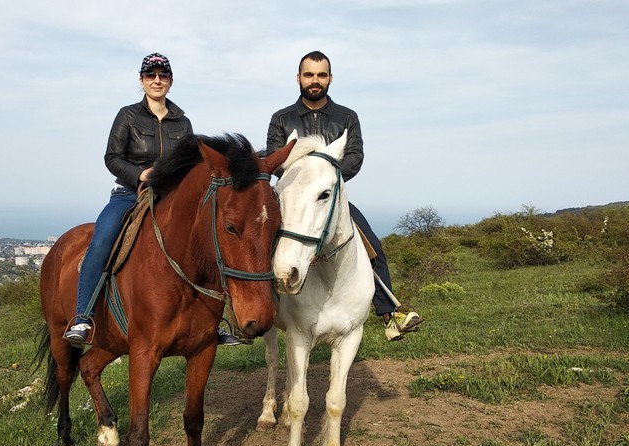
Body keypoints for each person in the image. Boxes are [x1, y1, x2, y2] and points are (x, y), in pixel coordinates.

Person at [65, 53, 241, 346]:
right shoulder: (128, 116)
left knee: (212, 238)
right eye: (151, 75)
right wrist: (140, 175)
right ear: (141, 80)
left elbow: (190, 162)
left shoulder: (182, 122)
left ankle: (213, 321)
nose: (157, 80)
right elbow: (112, 157)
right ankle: (82, 317)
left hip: (170, 196)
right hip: (129, 195)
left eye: (163, 75)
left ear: (170, 81)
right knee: (101, 242)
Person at [265, 50, 422, 341]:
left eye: (321, 75)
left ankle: (390, 312)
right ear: (298, 78)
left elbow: (355, 157)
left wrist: (326, 177)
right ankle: (257, 312)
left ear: (330, 78)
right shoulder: (281, 118)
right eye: (309, 75)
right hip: (292, 199)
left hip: (329, 198)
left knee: (372, 244)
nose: (315, 80)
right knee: (261, 242)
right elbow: (275, 158)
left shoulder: (347, 117)